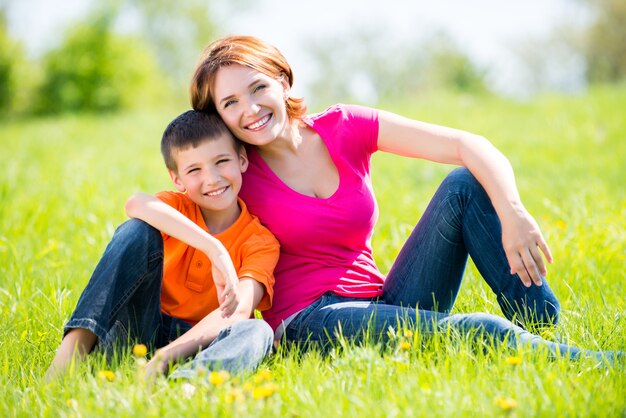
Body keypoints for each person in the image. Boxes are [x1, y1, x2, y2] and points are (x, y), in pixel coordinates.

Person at [185, 35, 623, 363]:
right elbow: (161, 208)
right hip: (308, 322)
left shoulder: (344, 126)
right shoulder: (232, 174)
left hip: (383, 300)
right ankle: (597, 365)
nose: (250, 109)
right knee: (476, 329)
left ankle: (546, 332)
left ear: (282, 81)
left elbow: (468, 143)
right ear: (218, 117)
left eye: (258, 88)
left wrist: (513, 213)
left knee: (464, 185)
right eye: (230, 103)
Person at [46, 110, 280, 381]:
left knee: (258, 331)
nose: (212, 178)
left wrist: (165, 356)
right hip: (139, 331)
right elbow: (135, 204)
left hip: (201, 344)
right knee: (137, 229)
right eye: (195, 170)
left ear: (241, 159)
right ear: (177, 178)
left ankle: (188, 384)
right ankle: (69, 357)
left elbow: (237, 312)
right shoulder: (176, 208)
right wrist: (213, 248)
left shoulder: (260, 241)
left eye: (221, 161)